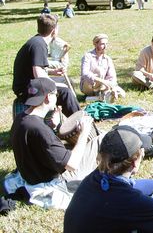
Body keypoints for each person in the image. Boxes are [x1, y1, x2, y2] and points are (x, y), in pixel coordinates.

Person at [4, 78, 101, 209]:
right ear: (48, 97)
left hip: (32, 173)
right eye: (56, 94)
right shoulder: (39, 129)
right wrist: (84, 133)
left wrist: (52, 127)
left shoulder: (21, 119)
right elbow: (72, 164)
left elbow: (40, 145)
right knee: (101, 140)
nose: (57, 97)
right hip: (52, 179)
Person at [13, 14, 80, 117]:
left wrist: (52, 72)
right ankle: (79, 123)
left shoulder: (37, 41)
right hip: (27, 90)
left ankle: (65, 120)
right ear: (54, 30)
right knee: (65, 92)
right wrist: (54, 85)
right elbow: (38, 75)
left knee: (64, 85)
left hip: (29, 85)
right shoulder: (39, 45)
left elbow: (33, 69)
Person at [80, 34, 125, 102]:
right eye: (102, 44)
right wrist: (101, 81)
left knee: (122, 94)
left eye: (106, 44)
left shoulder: (107, 59)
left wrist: (112, 87)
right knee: (98, 73)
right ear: (95, 44)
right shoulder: (87, 56)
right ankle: (101, 96)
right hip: (89, 85)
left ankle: (97, 97)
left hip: (102, 86)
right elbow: (85, 73)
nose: (105, 47)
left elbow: (112, 77)